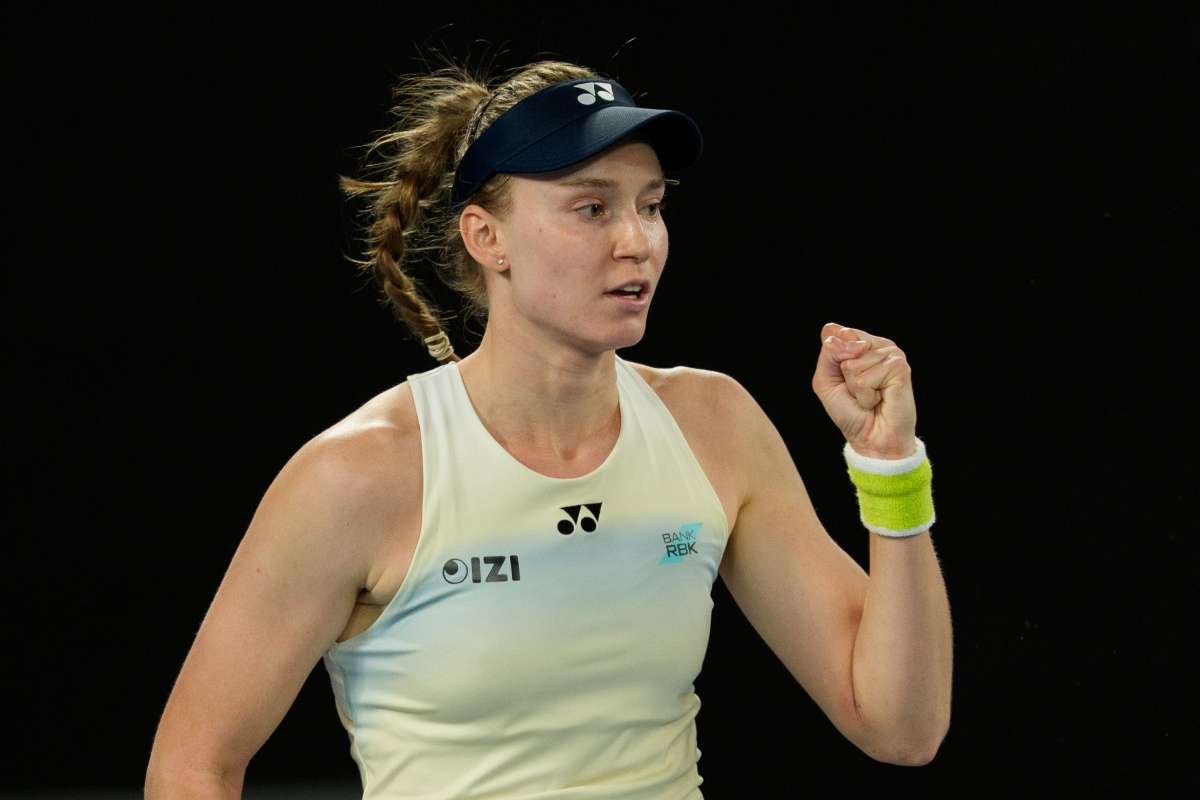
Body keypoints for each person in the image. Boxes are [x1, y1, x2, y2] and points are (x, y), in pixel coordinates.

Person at [145, 53, 953, 799]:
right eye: (591, 208)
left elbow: (901, 728)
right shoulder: (360, 474)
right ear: (486, 236)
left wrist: (891, 468)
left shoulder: (714, 425)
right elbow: (191, 768)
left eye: (651, 206)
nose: (637, 242)